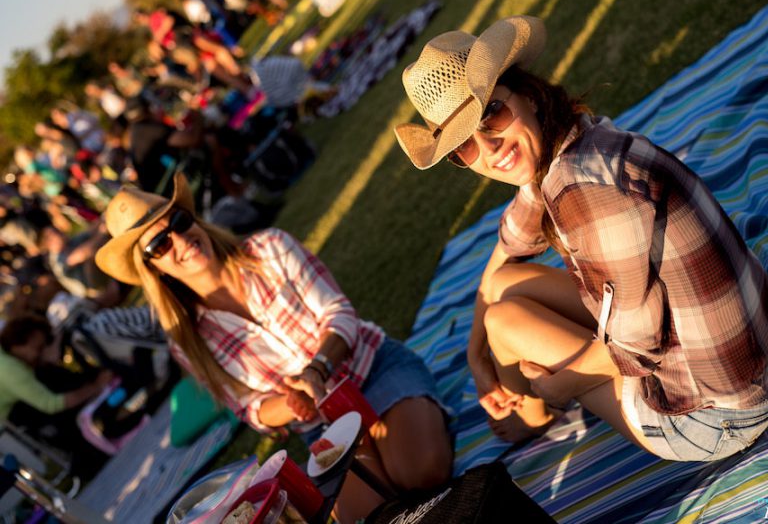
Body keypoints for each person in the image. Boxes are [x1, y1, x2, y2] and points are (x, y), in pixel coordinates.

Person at [394, 16, 768, 462]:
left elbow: (636, 351)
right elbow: (505, 256)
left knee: (503, 322)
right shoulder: (569, 141)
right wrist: (476, 356)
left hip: (719, 412)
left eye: (491, 113)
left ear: (526, 93)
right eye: (463, 147)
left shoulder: (581, 193)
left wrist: (558, 385)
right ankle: (524, 403)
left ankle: (529, 415)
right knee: (501, 297)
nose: (489, 149)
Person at [94, 173, 452, 522]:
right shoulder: (186, 341)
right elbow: (250, 409)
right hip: (324, 424)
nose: (180, 239)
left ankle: (399, 436)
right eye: (160, 244)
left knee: (421, 475)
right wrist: (292, 403)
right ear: (153, 269)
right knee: (366, 516)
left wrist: (317, 370)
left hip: (374, 369)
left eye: (178, 220)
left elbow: (339, 314)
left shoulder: (269, 248)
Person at [0, 314, 113, 477]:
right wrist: (96, 387)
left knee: (48, 373)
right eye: (38, 348)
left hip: (13, 413)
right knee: (51, 381)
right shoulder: (10, 370)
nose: (40, 352)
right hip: (9, 427)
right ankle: (89, 446)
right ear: (20, 344)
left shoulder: (9, 356)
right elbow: (51, 404)